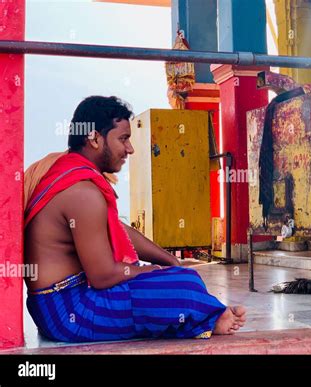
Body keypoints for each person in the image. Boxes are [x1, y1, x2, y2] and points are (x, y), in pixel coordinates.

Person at [24, 96, 245, 343]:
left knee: (180, 276)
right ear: (95, 138)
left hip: (54, 306)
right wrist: (152, 270)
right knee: (182, 287)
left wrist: (169, 259)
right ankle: (211, 316)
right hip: (70, 313)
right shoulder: (82, 192)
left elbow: (116, 229)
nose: (130, 149)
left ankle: (207, 313)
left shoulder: (68, 173)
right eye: (123, 139)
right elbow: (103, 276)